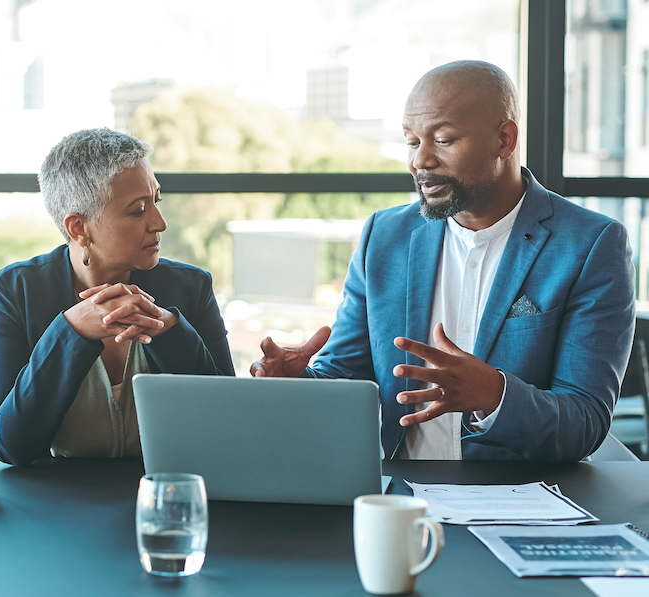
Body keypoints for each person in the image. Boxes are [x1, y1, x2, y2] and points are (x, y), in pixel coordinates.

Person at [251, 60, 635, 462]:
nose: (421, 161)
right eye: (412, 142)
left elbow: (585, 421)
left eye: (444, 139)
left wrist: (494, 395)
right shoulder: (383, 237)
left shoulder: (591, 244)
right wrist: (296, 385)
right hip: (397, 497)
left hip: (519, 502)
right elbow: (345, 377)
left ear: (504, 140)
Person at [0, 128, 234, 466]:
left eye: (156, 201)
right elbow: (9, 446)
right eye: (137, 210)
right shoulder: (14, 292)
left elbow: (227, 421)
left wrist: (171, 330)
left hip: (166, 495)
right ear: (79, 229)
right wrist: (71, 332)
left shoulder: (192, 287)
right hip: (54, 505)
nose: (160, 223)